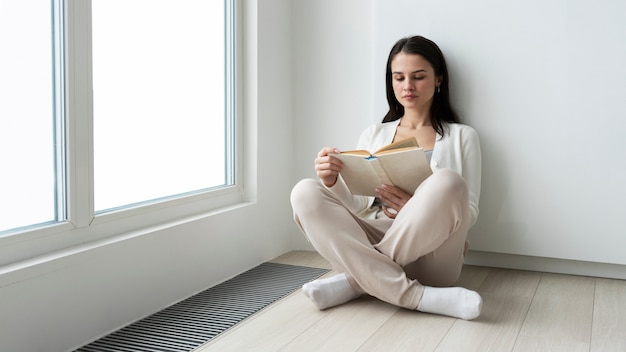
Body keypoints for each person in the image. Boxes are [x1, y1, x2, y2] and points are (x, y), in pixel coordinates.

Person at [290, 35, 483, 320]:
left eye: (418, 77)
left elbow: (470, 212)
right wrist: (332, 182)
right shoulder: (374, 134)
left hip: (434, 254)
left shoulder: (462, 136)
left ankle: (355, 282)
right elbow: (358, 206)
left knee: (449, 182)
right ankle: (415, 295)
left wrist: (415, 210)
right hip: (376, 234)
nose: (407, 86)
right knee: (304, 191)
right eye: (399, 77)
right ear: (390, 82)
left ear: (439, 79)